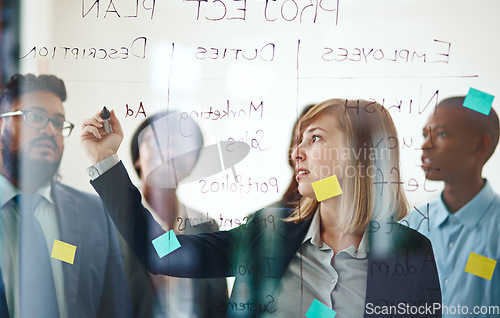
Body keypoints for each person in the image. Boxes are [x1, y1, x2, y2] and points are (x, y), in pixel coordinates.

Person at [81, 98, 442, 317]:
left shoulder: (411, 253)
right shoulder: (268, 230)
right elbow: (166, 253)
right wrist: (107, 164)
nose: (296, 152)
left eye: (315, 138)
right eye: (298, 139)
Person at [0, 74, 132, 317]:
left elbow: (116, 308)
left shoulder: (93, 213)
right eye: (36, 117)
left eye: (58, 123)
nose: (51, 130)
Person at [121, 111, 228, 317]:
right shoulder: (108, 219)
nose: (170, 151)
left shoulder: (206, 225)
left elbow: (218, 302)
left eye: (182, 147)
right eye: (159, 142)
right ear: (137, 158)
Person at [405, 96, 500, 317]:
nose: (425, 145)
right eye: (424, 134)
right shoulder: (413, 224)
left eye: (442, 134)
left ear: (480, 145)